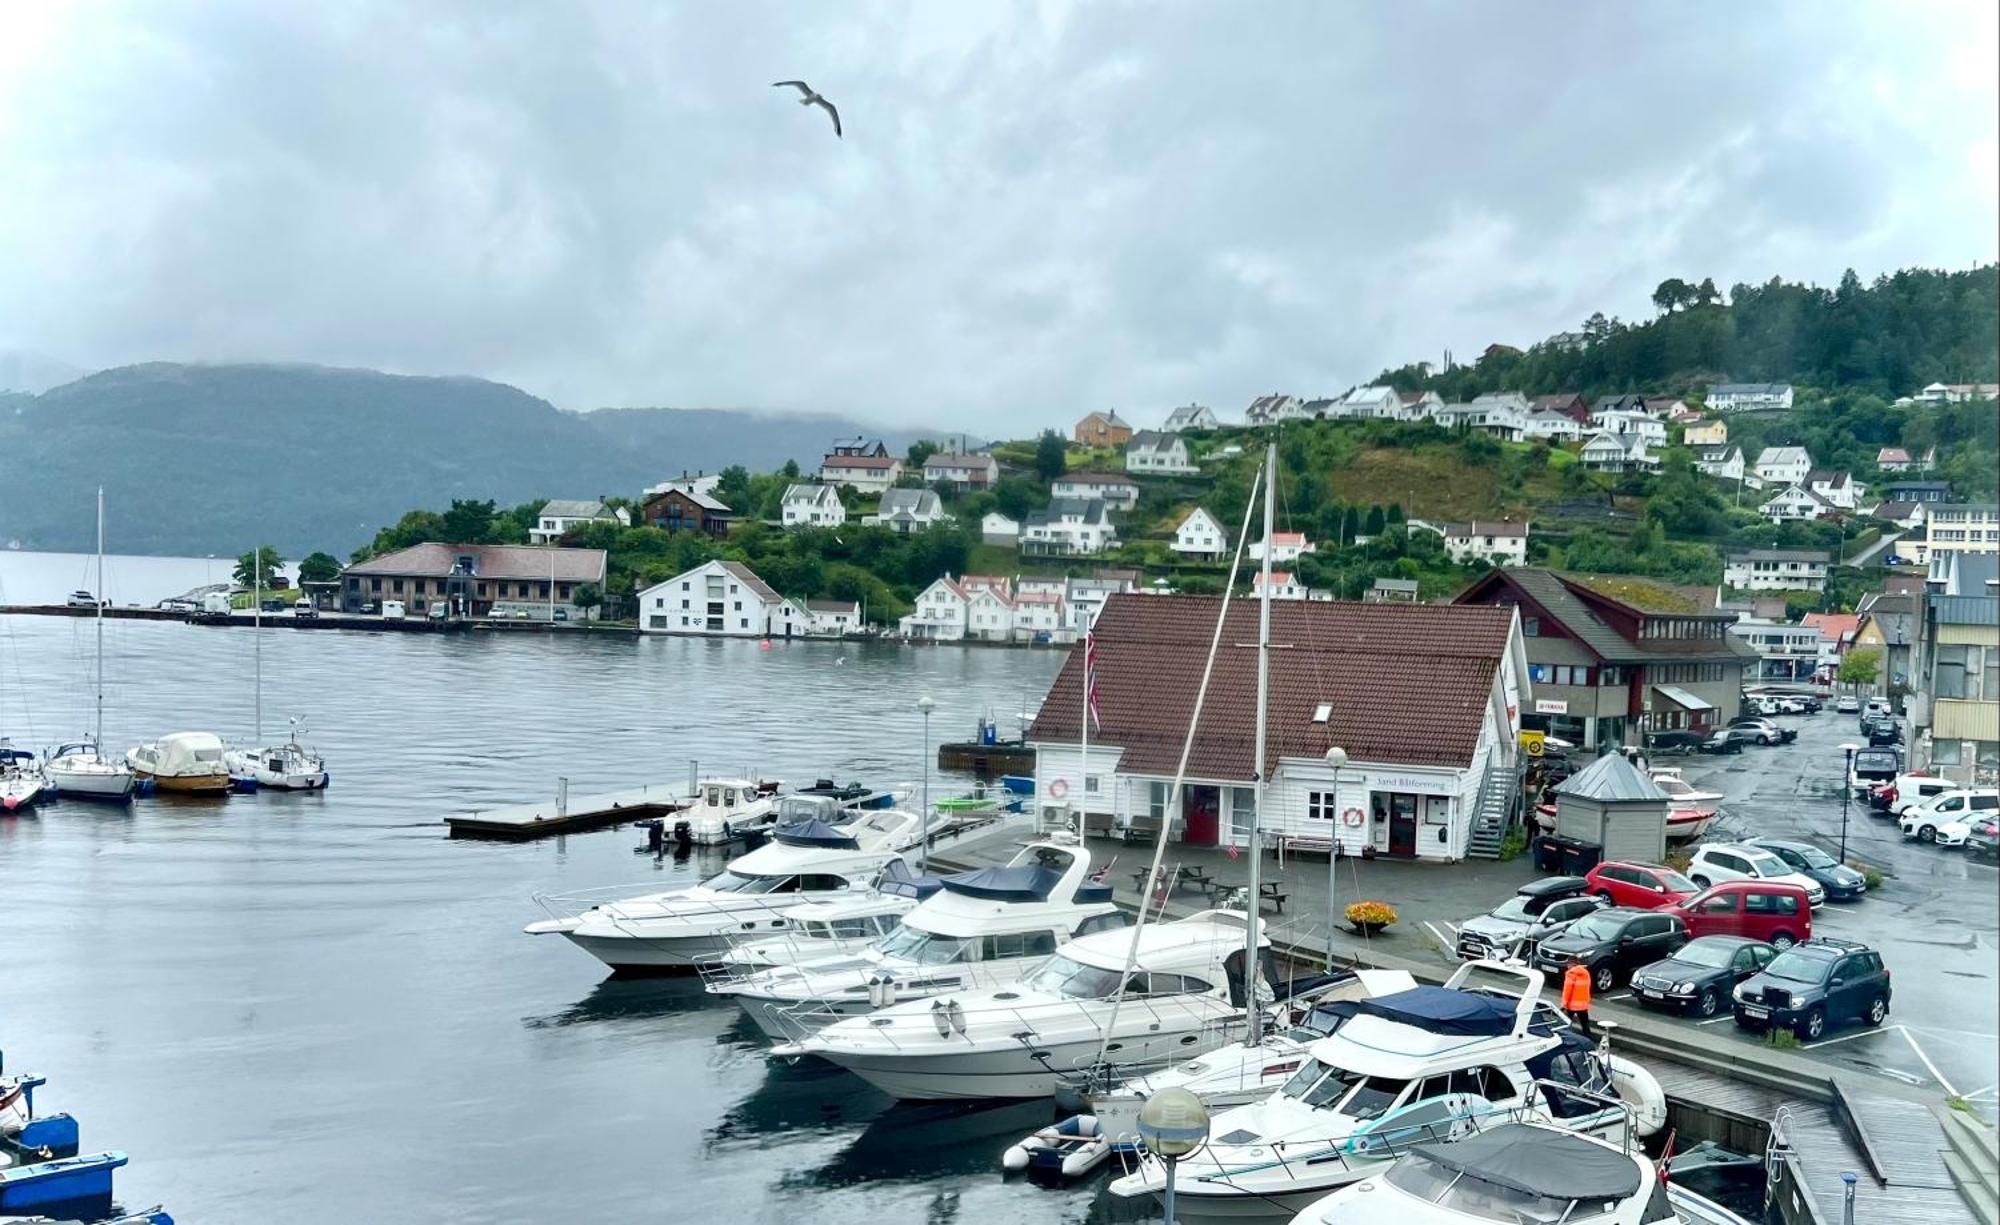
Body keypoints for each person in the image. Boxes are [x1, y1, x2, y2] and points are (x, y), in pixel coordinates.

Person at [1562, 954, 1594, 1038]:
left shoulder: (1570, 973)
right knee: (1585, 1024)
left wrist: (1564, 1003)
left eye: (1567, 964)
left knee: (1566, 1023)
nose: (1567, 966)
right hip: (1583, 1004)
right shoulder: (1585, 972)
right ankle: (1589, 1039)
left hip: (1571, 1004)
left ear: (1570, 964)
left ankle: (1566, 1038)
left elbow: (1567, 990)